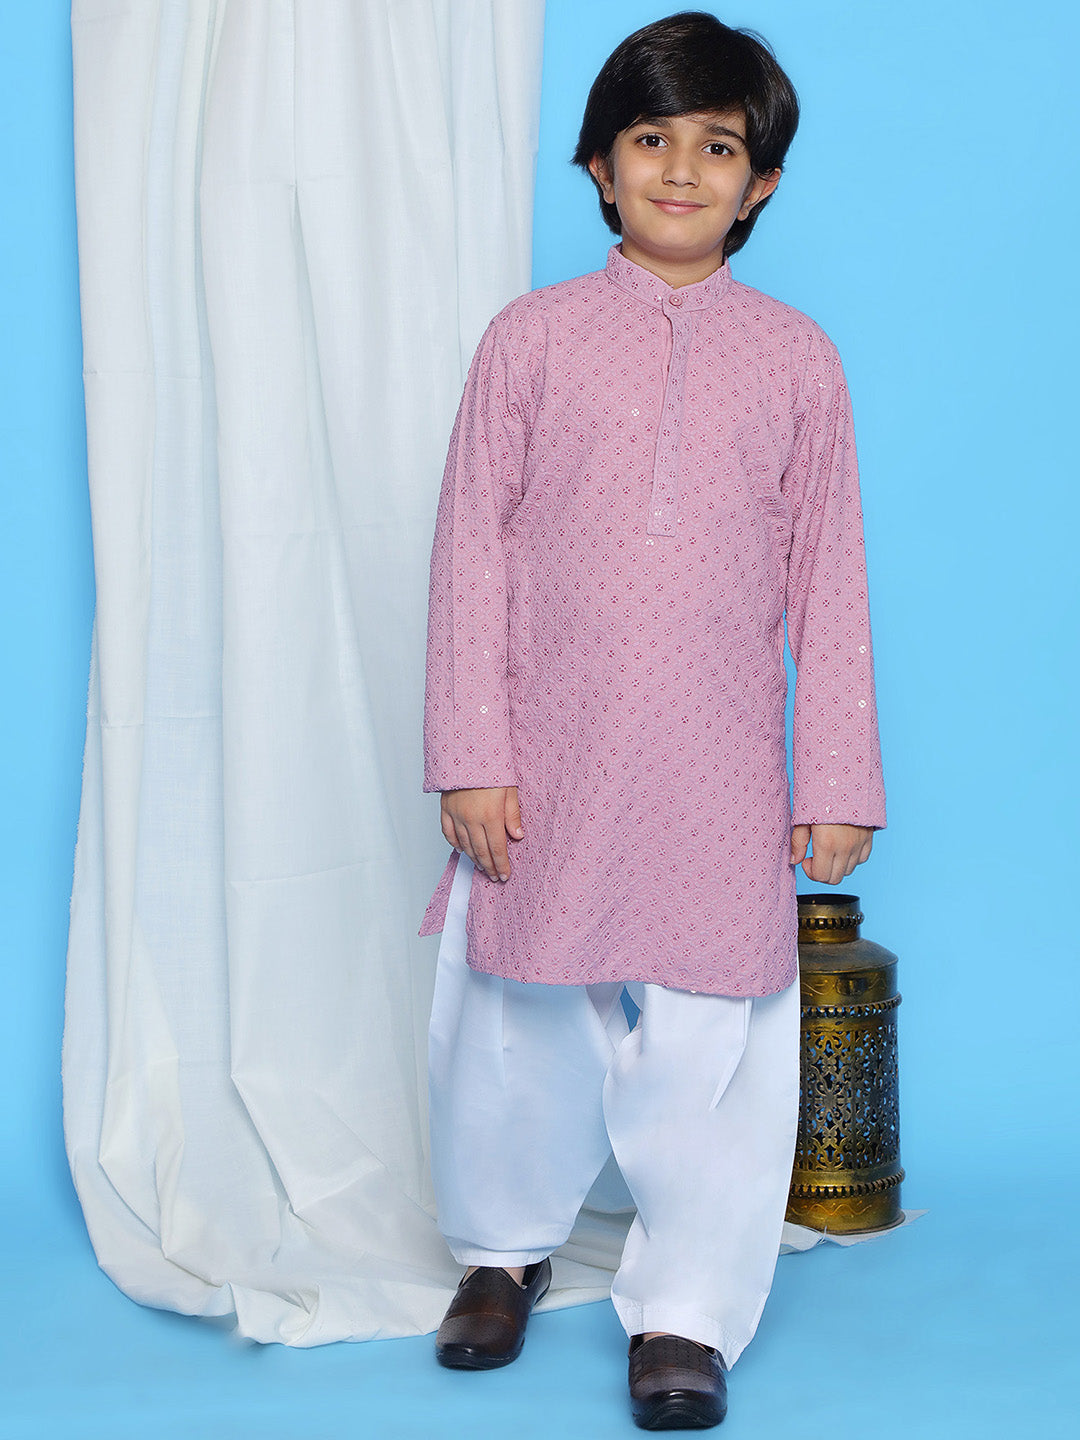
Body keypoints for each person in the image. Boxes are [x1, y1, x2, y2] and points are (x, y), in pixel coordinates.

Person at [419, 11, 885, 1430]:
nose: (682, 169)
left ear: (762, 185)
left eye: (718, 147)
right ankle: (501, 1250)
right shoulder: (529, 341)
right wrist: (471, 754)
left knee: (715, 1040)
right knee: (515, 1012)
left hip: (718, 763)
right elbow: (469, 551)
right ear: (599, 166)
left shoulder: (798, 359)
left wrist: (836, 779)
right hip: (544, 750)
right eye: (650, 138)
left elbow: (830, 577)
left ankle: (686, 1307)